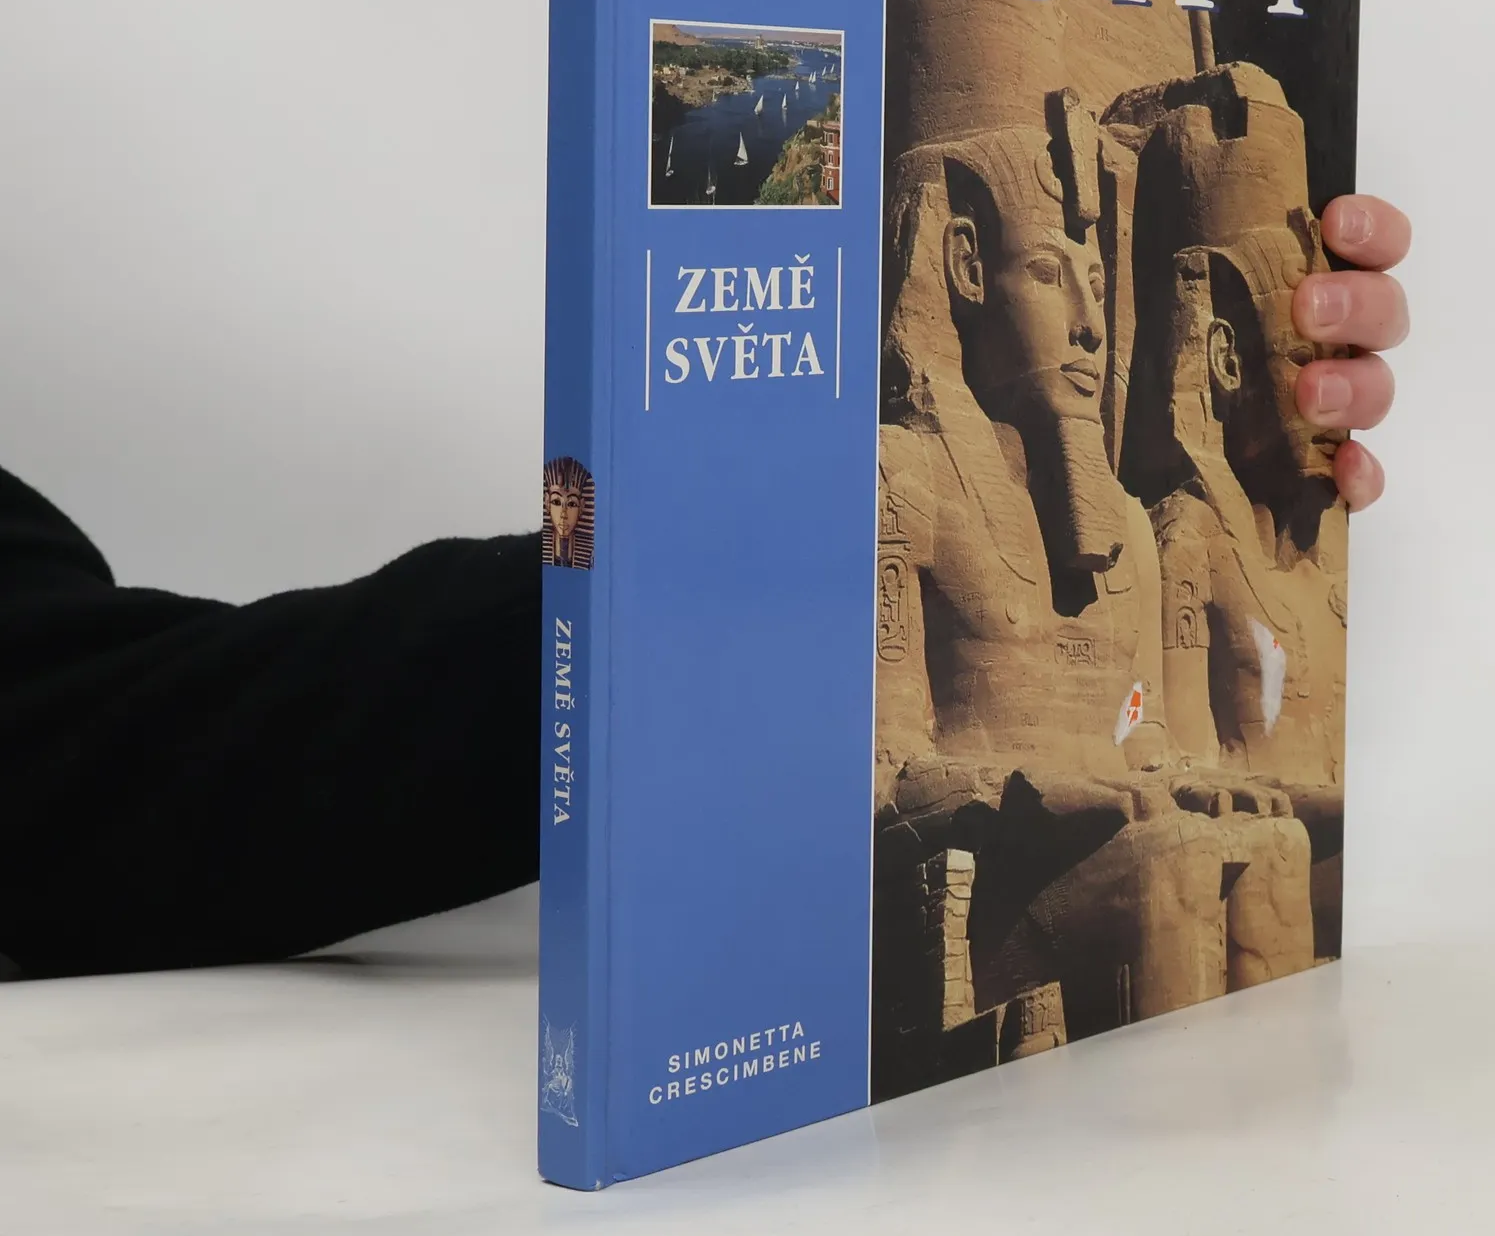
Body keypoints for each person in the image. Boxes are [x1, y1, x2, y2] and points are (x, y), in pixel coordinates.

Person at [0, 195, 1408, 980]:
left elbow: (116, 727)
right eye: (1056, 270)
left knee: (1279, 865)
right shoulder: (909, 479)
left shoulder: (1140, 521)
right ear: (963, 269)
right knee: (1179, 885)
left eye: (1101, 278)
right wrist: (705, 573)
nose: (1096, 322)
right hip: (987, 866)